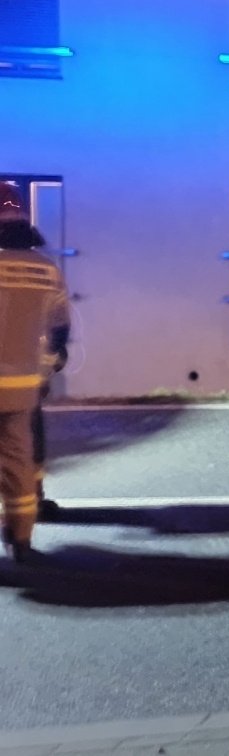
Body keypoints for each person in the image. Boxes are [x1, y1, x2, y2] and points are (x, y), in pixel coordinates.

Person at [0, 182, 70, 562]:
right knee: (18, 458)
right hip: (24, 384)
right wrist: (47, 367)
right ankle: (21, 541)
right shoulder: (46, 269)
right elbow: (60, 329)